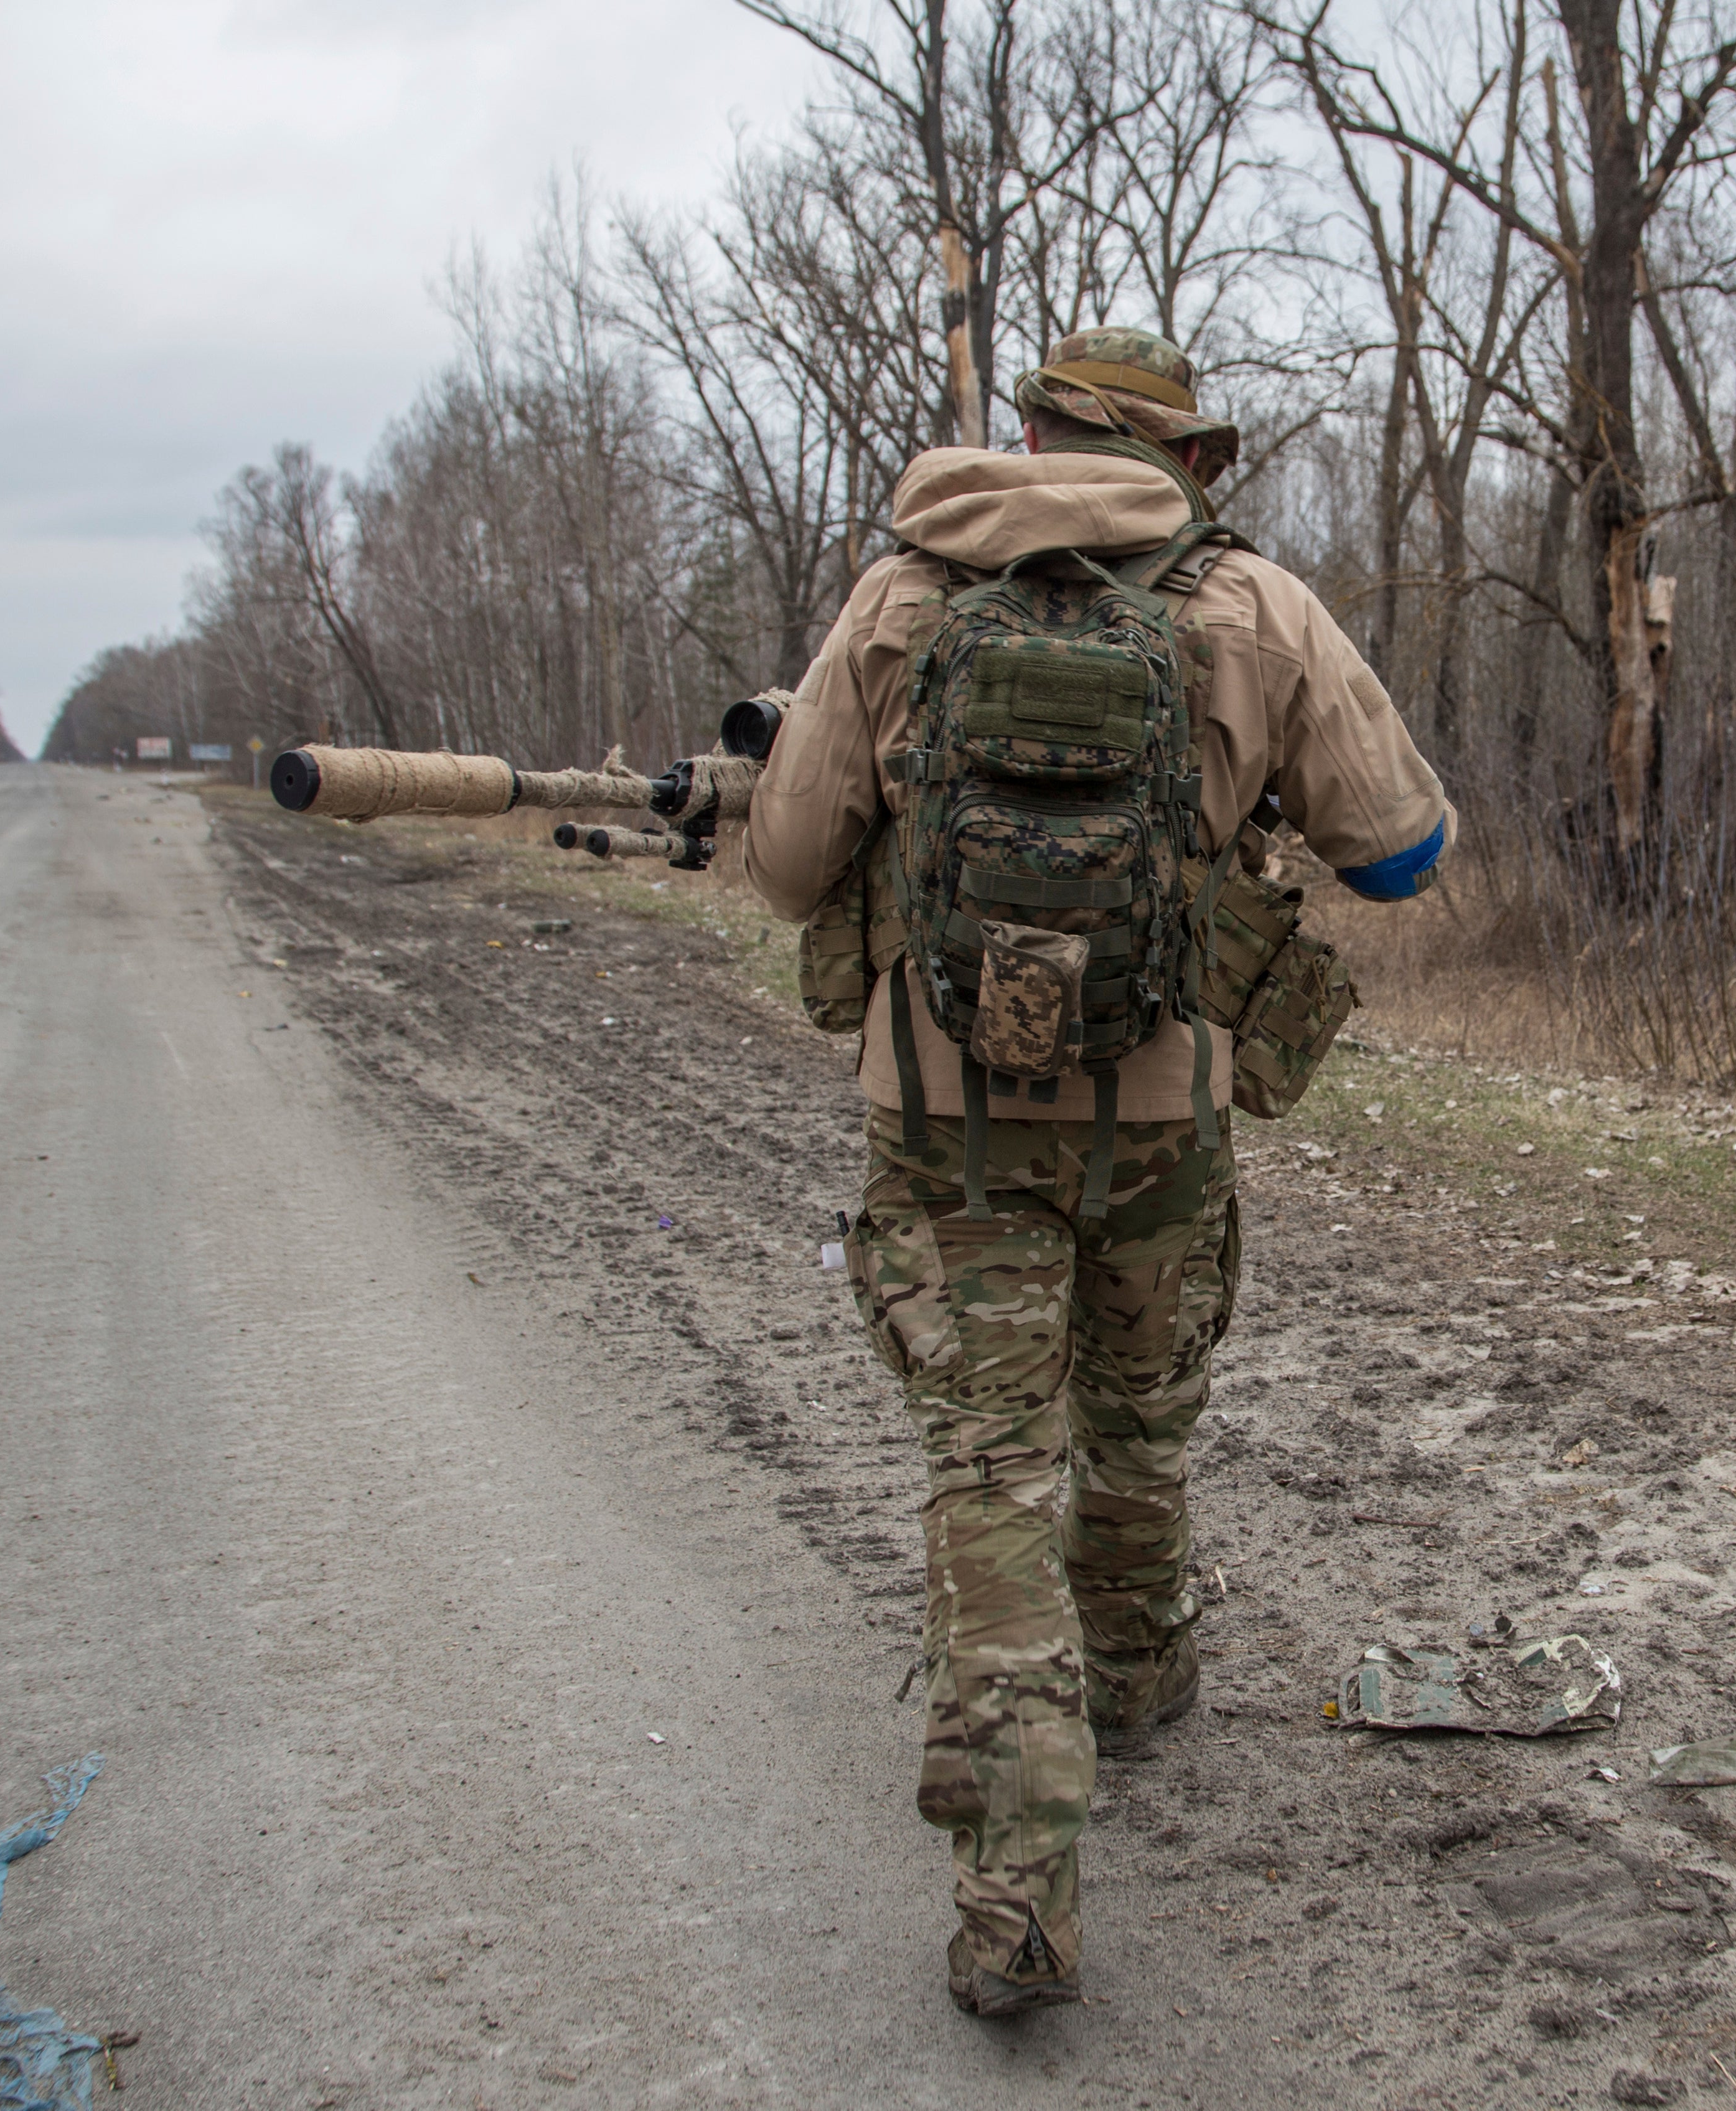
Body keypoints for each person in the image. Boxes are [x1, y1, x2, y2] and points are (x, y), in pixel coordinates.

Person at [741, 328, 1449, 2017]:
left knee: (989, 1472)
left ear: (1037, 436)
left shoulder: (900, 595)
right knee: (1137, 1421)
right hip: (1160, 1112)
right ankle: (1131, 1680)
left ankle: (1017, 1907)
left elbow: (784, 867)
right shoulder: (1254, 607)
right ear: (1178, 461)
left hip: (941, 1117)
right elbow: (1405, 850)